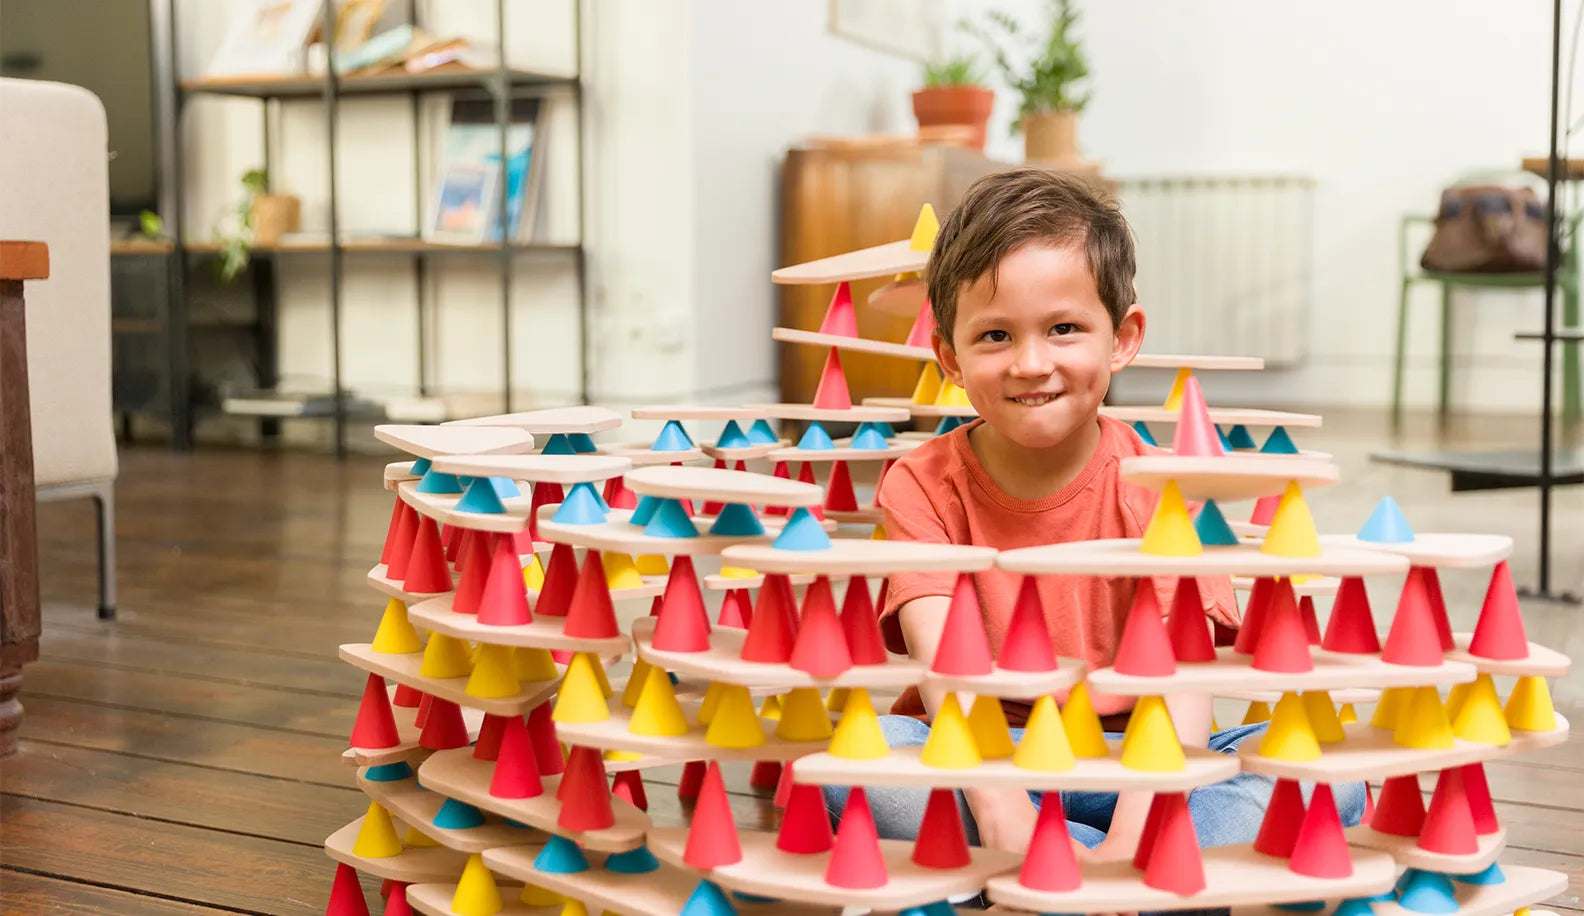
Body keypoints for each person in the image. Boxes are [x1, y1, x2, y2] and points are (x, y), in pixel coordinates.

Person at [822, 168, 1365, 867]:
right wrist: (1002, 812)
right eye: (995, 336)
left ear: (1122, 339)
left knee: (1326, 771)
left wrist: (1134, 841)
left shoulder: (1169, 488)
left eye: (1064, 329)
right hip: (987, 761)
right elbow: (944, 670)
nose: (1030, 363)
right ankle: (1112, 873)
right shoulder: (919, 484)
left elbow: (1182, 689)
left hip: (1142, 765)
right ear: (949, 356)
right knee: (857, 766)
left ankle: (1057, 873)